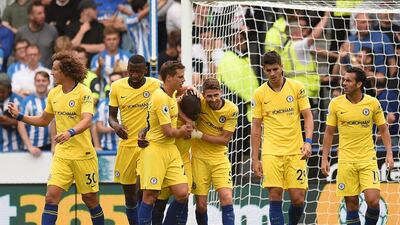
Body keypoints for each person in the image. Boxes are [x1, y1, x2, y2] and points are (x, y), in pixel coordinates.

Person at [8, 51, 105, 225]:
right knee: (51, 197)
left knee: (90, 199)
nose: (51, 73)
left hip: (84, 154)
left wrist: (70, 133)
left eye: (54, 70)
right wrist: (20, 116)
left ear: (65, 71)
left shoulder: (84, 92)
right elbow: (45, 120)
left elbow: (87, 120)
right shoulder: (54, 93)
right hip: (62, 154)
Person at [321, 67, 394, 225]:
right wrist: (324, 158)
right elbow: (328, 132)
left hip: (367, 159)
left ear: (359, 84)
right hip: (346, 160)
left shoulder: (372, 103)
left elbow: (383, 129)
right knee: (351, 204)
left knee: (373, 201)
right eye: (344, 79)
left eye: (348, 80)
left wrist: (389, 153)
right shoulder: (336, 104)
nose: (344, 83)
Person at [251, 51, 313, 225]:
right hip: (271, 151)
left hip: (296, 150)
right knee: (275, 194)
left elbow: (307, 116)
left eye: (275, 69)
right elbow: (256, 127)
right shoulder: (259, 93)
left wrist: (308, 142)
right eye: (268, 70)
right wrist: (255, 159)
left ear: (282, 67)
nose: (272, 73)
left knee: (298, 198)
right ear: (263, 70)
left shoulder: (296, 87)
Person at [108, 55, 162, 225]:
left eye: (138, 72)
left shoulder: (156, 85)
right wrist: (116, 127)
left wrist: (147, 130)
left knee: (142, 189)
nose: (134, 75)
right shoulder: (117, 87)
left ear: (145, 70)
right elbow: (111, 117)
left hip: (147, 145)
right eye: (131, 71)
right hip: (127, 145)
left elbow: (166, 107)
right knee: (129, 196)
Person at [138, 61, 192, 225]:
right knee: (150, 196)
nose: (183, 80)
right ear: (169, 77)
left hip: (170, 150)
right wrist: (183, 132)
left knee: (183, 193)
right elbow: (168, 131)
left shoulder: (170, 96)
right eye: (180, 77)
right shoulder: (160, 97)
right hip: (155, 150)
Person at [190, 77, 238, 225]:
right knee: (201, 206)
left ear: (221, 92)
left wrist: (198, 134)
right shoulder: (199, 104)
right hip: (199, 158)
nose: (213, 99)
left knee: (226, 197)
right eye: (209, 96)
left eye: (216, 95)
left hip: (219, 158)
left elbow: (224, 140)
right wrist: (189, 89)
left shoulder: (231, 109)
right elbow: (179, 102)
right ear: (203, 94)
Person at [17, 71, 52, 156]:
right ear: (34, 82)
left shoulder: (52, 100)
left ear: (49, 82)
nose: (41, 83)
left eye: (44, 80)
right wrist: (29, 146)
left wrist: (54, 146)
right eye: (38, 80)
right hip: (31, 147)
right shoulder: (26, 101)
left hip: (49, 146)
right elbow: (20, 125)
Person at [15, 1, 58, 67]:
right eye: (39, 13)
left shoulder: (52, 31)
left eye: (43, 13)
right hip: (26, 72)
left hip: (46, 74)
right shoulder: (21, 32)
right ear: (30, 16)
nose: (43, 16)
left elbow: (57, 54)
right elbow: (14, 54)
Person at [0, 75, 23, 152]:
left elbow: (26, 123)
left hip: (15, 148)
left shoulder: (18, 101)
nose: (0, 95)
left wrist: (10, 121)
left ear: (10, 89)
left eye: (3, 92)